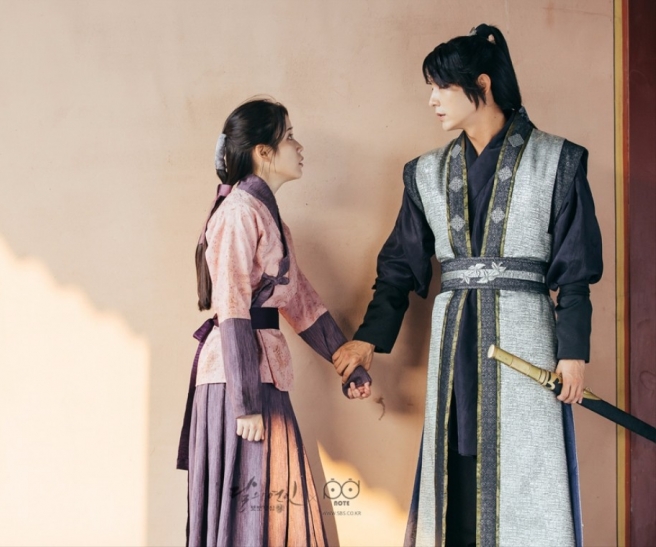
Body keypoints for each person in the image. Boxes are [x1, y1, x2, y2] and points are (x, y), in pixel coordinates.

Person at [333, 24, 603, 547]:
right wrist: (369, 339)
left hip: (527, 346)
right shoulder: (426, 173)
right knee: (456, 466)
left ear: (482, 84)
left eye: (442, 87)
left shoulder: (557, 161)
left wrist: (573, 352)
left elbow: (575, 268)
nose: (432, 100)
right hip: (455, 343)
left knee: (527, 467)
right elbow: (399, 267)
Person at [177, 98, 371, 547]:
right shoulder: (238, 213)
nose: (299, 148)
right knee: (254, 514)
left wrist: (347, 362)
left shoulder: (270, 221)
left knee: (271, 514)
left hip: (260, 377)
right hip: (237, 383)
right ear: (263, 152)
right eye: (290, 138)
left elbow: (301, 302)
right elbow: (232, 305)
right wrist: (245, 402)